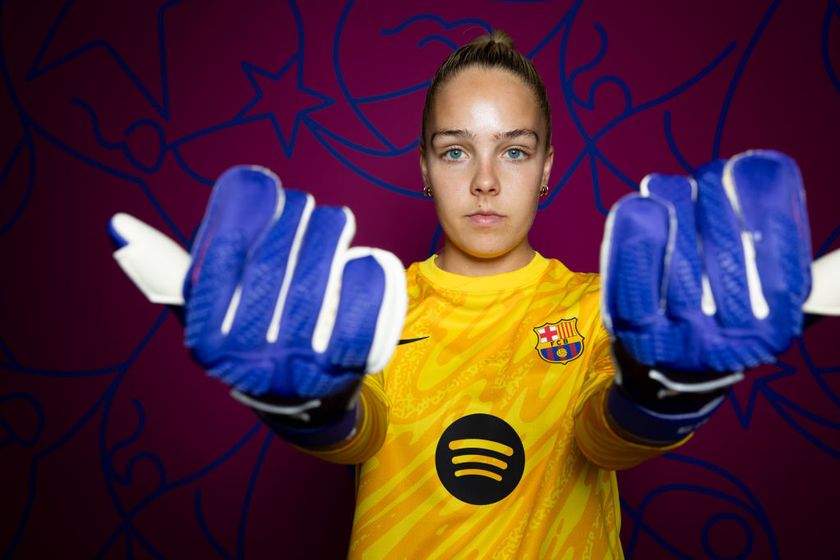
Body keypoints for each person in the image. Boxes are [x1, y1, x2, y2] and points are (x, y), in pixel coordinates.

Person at [110, 30, 812, 558]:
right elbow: (362, 436)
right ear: (423, 167)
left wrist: (665, 397)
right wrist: (311, 411)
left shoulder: (609, 306)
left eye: (514, 150)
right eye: (455, 150)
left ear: (546, 168)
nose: (484, 181)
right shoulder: (374, 300)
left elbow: (601, 441)